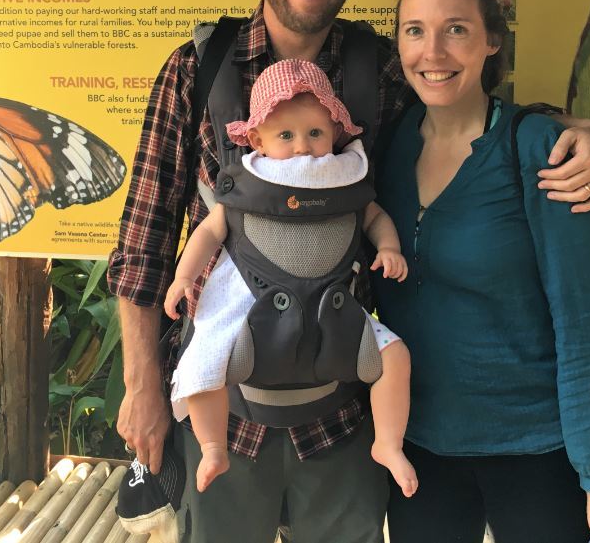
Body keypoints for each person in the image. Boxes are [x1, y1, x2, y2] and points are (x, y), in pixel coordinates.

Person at [108, 0, 590, 543]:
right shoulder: (196, 68)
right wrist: (142, 386)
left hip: (344, 408)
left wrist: (569, 129)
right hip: (222, 408)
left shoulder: (378, 70)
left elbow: (463, 120)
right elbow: (142, 243)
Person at [373, 0, 590, 543]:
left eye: (456, 29)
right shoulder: (385, 145)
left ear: (492, 40)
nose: (433, 51)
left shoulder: (544, 150)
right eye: (414, 30)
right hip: (418, 448)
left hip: (533, 449)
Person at [163, 59, 417, 497]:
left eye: (315, 133)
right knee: (203, 363)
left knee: (395, 358)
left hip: (335, 316)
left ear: (336, 133)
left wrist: (389, 248)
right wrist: (182, 277)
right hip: (249, 315)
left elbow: (375, 218)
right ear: (257, 140)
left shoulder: (346, 176)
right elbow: (208, 231)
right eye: (286, 135)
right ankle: (212, 445)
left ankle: (388, 443)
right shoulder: (247, 183)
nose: (303, 146)